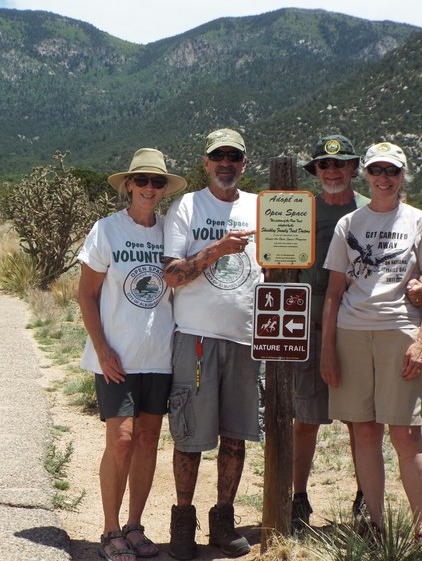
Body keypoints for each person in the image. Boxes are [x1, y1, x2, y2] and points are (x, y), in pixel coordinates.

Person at [292, 135, 422, 532]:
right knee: (305, 417)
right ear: (316, 172)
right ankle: (299, 497)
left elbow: (401, 263)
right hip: (309, 325)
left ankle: (364, 499)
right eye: (323, 165)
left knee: (360, 422)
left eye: (340, 164)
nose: (331, 171)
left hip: (353, 328)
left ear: (355, 170)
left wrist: (416, 285)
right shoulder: (301, 211)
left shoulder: (369, 210)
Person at [320, 142, 422, 541]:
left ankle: (421, 526)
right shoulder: (349, 225)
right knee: (364, 431)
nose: (384, 178)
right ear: (367, 176)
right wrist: (327, 349)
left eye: (391, 172)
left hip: (400, 335)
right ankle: (375, 524)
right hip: (352, 334)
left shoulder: (418, 221)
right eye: (376, 171)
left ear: (402, 176)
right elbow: (334, 291)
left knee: (406, 433)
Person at [77, 148, 187, 561]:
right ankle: (109, 530)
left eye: (157, 182)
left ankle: (135, 525)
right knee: (120, 440)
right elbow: (86, 294)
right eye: (141, 180)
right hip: (116, 357)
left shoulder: (169, 233)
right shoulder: (106, 230)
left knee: (146, 441)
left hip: (158, 355)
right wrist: (102, 348)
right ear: (128, 185)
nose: (149, 188)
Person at [163, 128, 263, 559]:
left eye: (233, 156)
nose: (226, 163)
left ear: (244, 163)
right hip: (197, 337)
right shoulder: (186, 206)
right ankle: (183, 522)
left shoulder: (260, 207)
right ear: (205, 162)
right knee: (190, 436)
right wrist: (217, 250)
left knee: (235, 435)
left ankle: (223, 519)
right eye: (218, 156)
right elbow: (172, 274)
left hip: (245, 338)